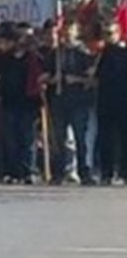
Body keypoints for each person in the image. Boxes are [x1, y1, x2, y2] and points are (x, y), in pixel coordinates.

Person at [46, 20, 95, 185]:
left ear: (76, 32)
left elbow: (93, 79)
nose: (67, 35)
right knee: (58, 139)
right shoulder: (55, 54)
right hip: (59, 100)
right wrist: (52, 79)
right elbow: (46, 75)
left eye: (70, 31)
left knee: (80, 138)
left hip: (78, 101)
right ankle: (57, 173)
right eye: (64, 31)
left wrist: (77, 79)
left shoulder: (84, 54)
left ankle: (84, 172)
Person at [0, 22, 40, 183]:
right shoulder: (2, 59)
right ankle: (13, 172)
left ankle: (29, 171)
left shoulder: (32, 57)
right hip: (8, 102)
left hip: (27, 103)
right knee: (10, 140)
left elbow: (39, 76)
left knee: (27, 139)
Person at [94, 21, 127, 185]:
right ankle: (106, 172)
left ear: (118, 33)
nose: (108, 37)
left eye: (111, 33)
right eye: (105, 34)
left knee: (124, 137)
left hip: (123, 101)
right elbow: (96, 76)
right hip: (105, 101)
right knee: (106, 137)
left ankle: (124, 171)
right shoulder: (102, 53)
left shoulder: (123, 52)